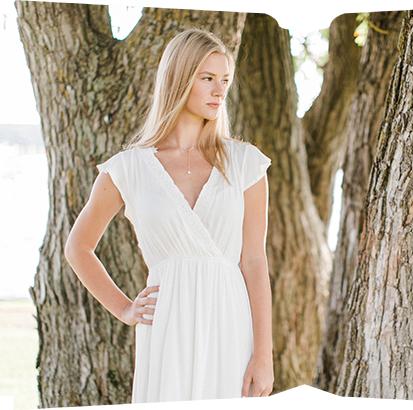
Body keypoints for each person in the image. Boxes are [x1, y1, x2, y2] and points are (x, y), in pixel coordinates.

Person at [63, 29, 273, 402]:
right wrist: (125, 309)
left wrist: (264, 353)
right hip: (166, 324)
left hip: (230, 322)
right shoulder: (129, 168)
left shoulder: (245, 163)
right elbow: (78, 247)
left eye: (224, 80)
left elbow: (254, 260)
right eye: (207, 78)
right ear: (178, 79)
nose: (219, 91)